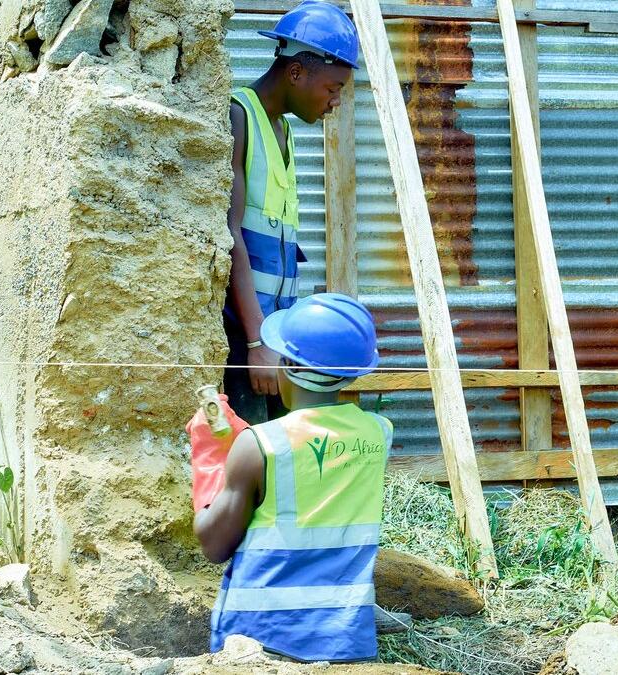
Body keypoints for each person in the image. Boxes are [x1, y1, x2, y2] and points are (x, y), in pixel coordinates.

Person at [196, 293, 393, 663]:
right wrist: (241, 443)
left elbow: (214, 545)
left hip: (260, 642)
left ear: (292, 366)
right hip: (343, 639)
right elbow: (314, 460)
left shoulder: (260, 445)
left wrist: (209, 459)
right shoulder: (379, 433)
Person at [224, 1, 359, 424]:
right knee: (247, 454)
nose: (335, 101)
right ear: (297, 72)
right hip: (242, 336)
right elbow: (231, 239)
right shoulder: (238, 117)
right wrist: (253, 342)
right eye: (333, 88)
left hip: (274, 339)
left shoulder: (283, 131)